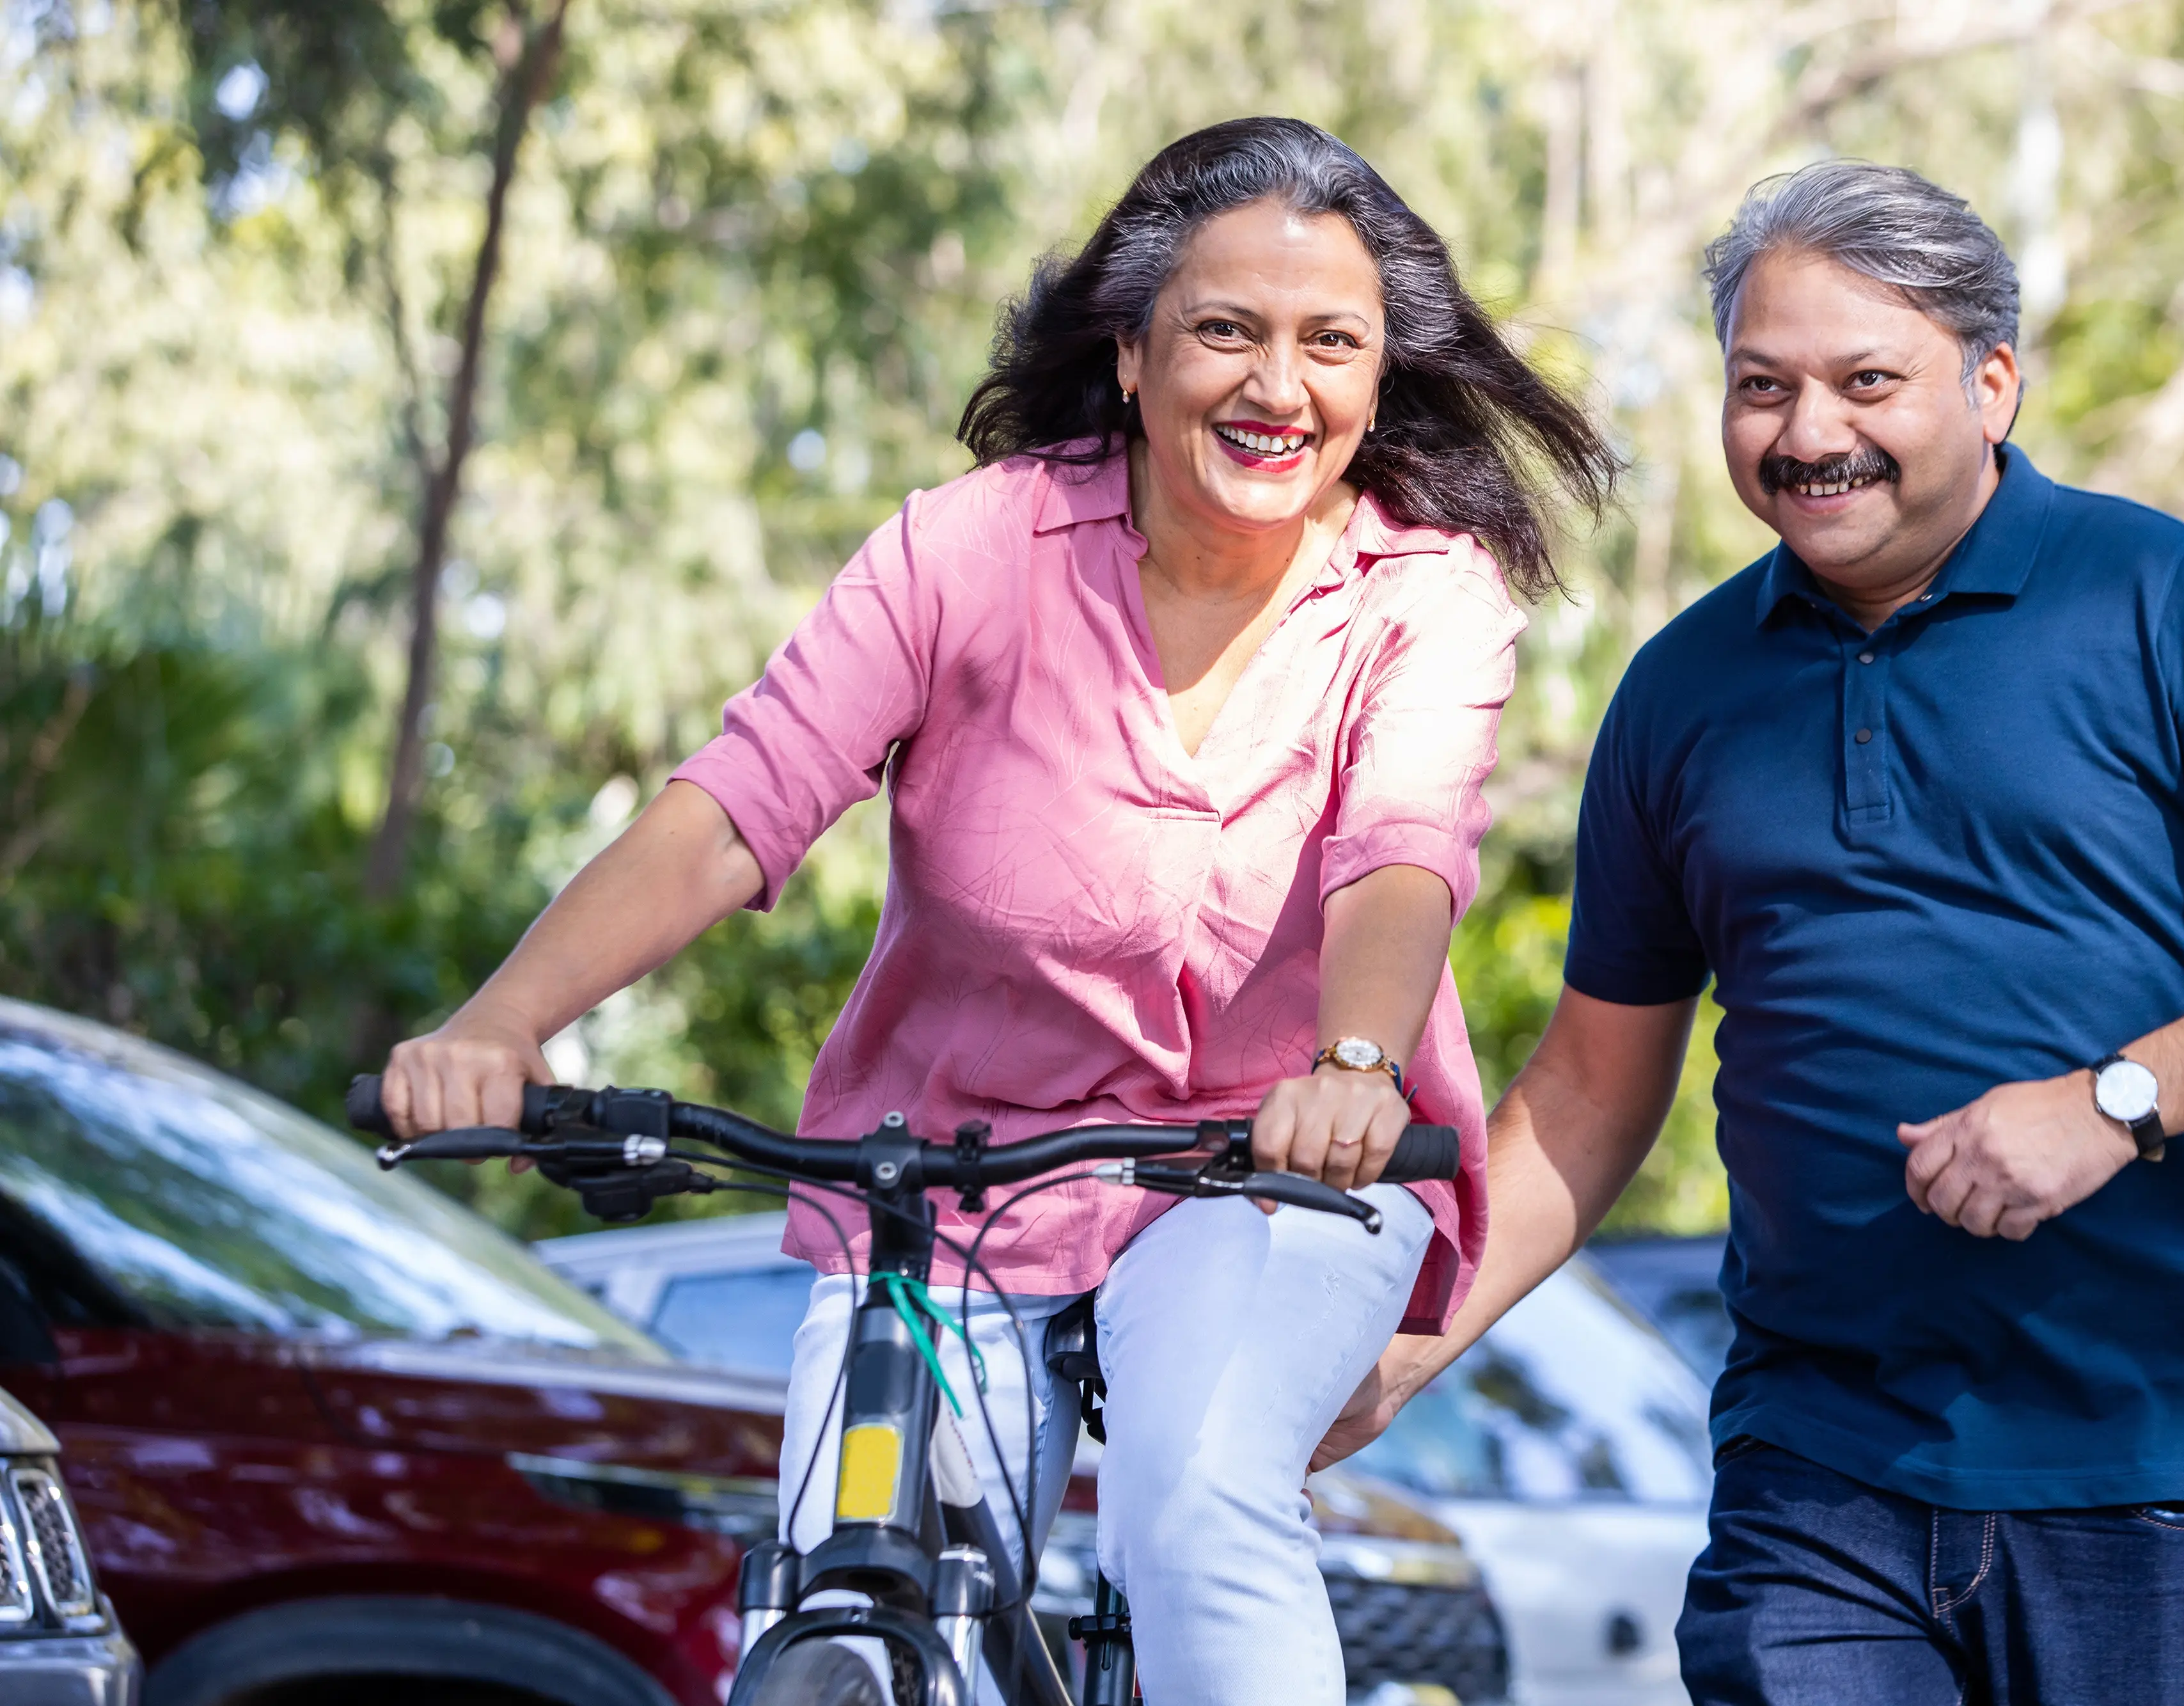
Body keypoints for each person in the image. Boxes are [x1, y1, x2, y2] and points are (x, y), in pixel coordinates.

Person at [376, 116, 1615, 1704]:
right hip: (954, 1177)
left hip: (1277, 1167)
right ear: (1128, 353)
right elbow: (729, 810)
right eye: (1223, 332)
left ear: (1377, 381)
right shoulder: (968, 549)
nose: (1275, 386)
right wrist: (504, 1020)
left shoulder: (1421, 597)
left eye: (1329, 344)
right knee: (846, 1583)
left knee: (1196, 1508)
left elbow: (1400, 851)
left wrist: (1357, 1071)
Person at [1316, 159, 2184, 1706]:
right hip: (1817, 1468)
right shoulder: (1679, 691)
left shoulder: (2168, 598)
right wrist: (1419, 1340)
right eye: (1762, 386)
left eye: (1865, 380)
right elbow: (1598, 1088)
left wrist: (2110, 1103)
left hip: (2145, 1460)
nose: (1807, 434)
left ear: (1990, 381)